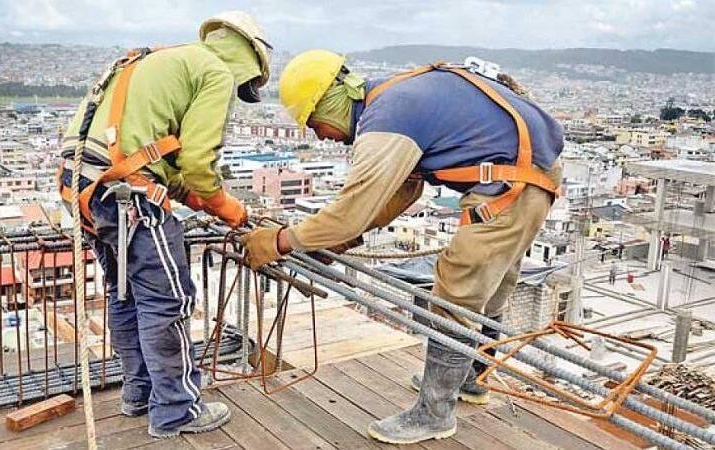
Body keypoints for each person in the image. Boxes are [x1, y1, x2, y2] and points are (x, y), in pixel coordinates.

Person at [241, 50, 564, 444]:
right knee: (490, 285)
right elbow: (403, 191)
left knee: (456, 291)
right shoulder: (398, 99)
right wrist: (345, 239)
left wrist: (279, 242)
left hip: (510, 185)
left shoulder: (385, 120)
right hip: (528, 175)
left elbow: (351, 209)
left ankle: (434, 413)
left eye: (314, 123)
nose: (320, 135)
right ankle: (469, 379)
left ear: (330, 102)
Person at [57, 11, 272, 438]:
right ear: (249, 61)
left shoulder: (165, 59)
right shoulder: (214, 72)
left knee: (127, 295)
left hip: (85, 185)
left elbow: (167, 164)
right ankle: (176, 410)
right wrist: (231, 211)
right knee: (167, 301)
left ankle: (138, 393)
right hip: (128, 195)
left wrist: (193, 194)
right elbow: (197, 164)